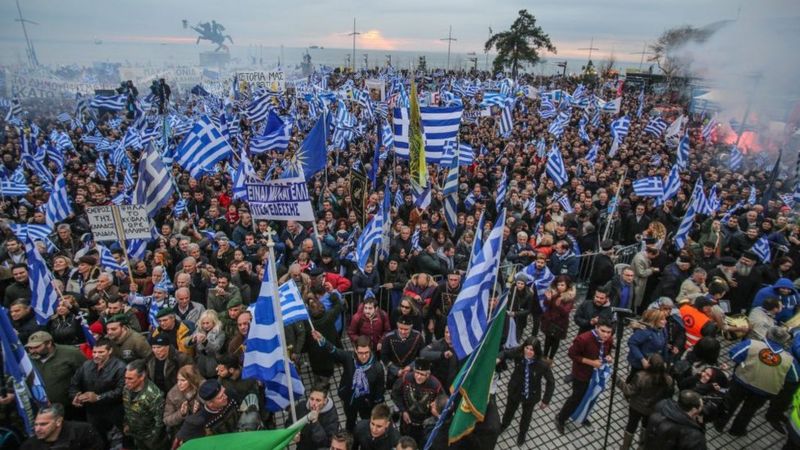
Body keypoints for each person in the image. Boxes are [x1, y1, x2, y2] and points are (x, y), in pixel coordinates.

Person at [715, 326, 800, 437]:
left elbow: (734, 355)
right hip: (764, 391)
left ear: (767, 335)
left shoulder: (752, 344)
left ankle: (719, 424)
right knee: (749, 411)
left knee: (730, 404)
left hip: (741, 381)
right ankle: (737, 430)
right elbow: (794, 377)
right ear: (785, 341)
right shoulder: (790, 360)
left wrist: (745, 364)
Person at [312, 331, 385, 432]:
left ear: (370, 350)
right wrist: (322, 340)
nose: (363, 356)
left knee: (366, 423)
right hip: (349, 398)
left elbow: (379, 390)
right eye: (360, 353)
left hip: (367, 402)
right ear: (355, 350)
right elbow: (334, 351)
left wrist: (378, 408)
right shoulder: (349, 358)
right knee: (350, 421)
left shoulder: (377, 368)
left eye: (366, 353)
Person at [555, 318, 614, 433]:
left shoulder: (609, 339)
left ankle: (582, 415)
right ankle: (561, 418)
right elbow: (572, 354)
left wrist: (608, 357)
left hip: (597, 374)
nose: (606, 335)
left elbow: (608, 351)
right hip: (582, 374)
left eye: (609, 332)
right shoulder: (583, 339)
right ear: (596, 327)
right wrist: (591, 362)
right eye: (603, 331)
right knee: (576, 397)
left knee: (591, 396)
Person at [68, 338, 126, 446]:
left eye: (101, 352)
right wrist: (75, 396)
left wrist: (99, 397)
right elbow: (74, 384)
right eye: (94, 352)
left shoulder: (120, 367)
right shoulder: (86, 366)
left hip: (114, 414)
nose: (96, 355)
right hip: (92, 414)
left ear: (110, 351)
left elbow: (120, 391)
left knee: (118, 443)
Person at [499, 338, 555, 445]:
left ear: (536, 351)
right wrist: (498, 358)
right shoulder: (519, 354)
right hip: (515, 389)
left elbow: (551, 382)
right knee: (509, 410)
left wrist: (546, 400)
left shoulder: (542, 364)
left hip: (531, 394)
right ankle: (504, 425)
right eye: (527, 348)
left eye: (532, 350)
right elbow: (505, 353)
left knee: (527, 415)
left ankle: (522, 433)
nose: (528, 352)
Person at [616, 354, 674, 450]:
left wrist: (617, 380)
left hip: (636, 407)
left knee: (631, 426)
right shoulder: (668, 379)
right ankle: (642, 446)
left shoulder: (641, 376)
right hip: (652, 409)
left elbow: (629, 390)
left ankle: (625, 447)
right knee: (646, 426)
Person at [25, 331, 87, 419]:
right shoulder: (27, 359)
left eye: (37, 347)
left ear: (49, 343)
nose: (32, 351)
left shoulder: (71, 353)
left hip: (71, 406)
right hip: (44, 409)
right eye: (30, 348)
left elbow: (88, 374)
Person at [390, 358, 442, 445]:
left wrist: (432, 418)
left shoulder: (435, 385)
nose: (418, 376)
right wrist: (403, 411)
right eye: (416, 372)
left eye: (422, 374)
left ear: (428, 375)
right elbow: (395, 394)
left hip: (424, 425)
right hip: (407, 421)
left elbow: (440, 403)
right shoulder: (406, 378)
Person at [122, 359, 169, 450]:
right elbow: (127, 408)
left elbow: (159, 422)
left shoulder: (154, 396)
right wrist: (127, 423)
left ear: (142, 376)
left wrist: (153, 439)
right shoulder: (126, 389)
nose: (126, 382)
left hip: (152, 440)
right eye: (126, 378)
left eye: (130, 379)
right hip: (136, 434)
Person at [19, 404, 104, 450]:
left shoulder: (83, 431)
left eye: (43, 424)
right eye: (36, 424)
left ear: (58, 422)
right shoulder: (29, 446)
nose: (37, 429)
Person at [381, 315, 425, 389]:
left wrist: (410, 367)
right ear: (397, 326)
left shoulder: (418, 336)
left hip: (411, 371)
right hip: (393, 371)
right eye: (400, 328)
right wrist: (396, 370)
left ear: (411, 327)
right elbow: (384, 356)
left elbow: (422, 355)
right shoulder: (388, 337)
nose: (403, 331)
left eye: (406, 329)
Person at [292, 384, 341, 450]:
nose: (313, 403)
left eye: (318, 400)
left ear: (325, 401)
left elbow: (327, 443)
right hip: (301, 446)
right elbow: (290, 422)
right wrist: (292, 434)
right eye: (312, 399)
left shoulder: (332, 417)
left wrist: (315, 423)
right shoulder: (301, 406)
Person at [541, 275, 576, 360]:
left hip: (560, 323)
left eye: (562, 285)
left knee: (555, 341)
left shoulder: (569, 297)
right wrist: (548, 299)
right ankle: (544, 356)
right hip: (550, 320)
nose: (559, 287)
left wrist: (559, 304)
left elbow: (565, 312)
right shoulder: (553, 293)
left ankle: (551, 358)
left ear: (567, 286)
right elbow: (546, 305)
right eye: (558, 284)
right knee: (547, 339)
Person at [627, 309, 669, 380]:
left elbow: (665, 344)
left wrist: (664, 360)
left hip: (652, 363)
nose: (665, 321)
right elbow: (632, 343)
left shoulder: (662, 329)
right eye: (662, 319)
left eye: (665, 319)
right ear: (654, 321)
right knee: (634, 379)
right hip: (640, 364)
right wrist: (642, 359)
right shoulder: (645, 331)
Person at [163, 364, 204, 433]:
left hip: (203, 426)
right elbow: (166, 420)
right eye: (178, 380)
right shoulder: (172, 394)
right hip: (185, 429)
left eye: (183, 380)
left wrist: (200, 410)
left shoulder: (202, 386)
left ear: (191, 380)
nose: (179, 383)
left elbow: (213, 406)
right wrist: (181, 413)